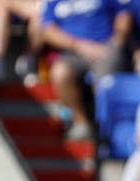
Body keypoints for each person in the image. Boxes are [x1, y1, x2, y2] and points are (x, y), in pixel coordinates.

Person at [41, 0, 131, 140]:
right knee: (60, 73)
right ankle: (81, 123)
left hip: (104, 48)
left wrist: (116, 41)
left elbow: (123, 15)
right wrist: (79, 46)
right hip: (72, 51)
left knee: (105, 82)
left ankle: (105, 128)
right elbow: (48, 31)